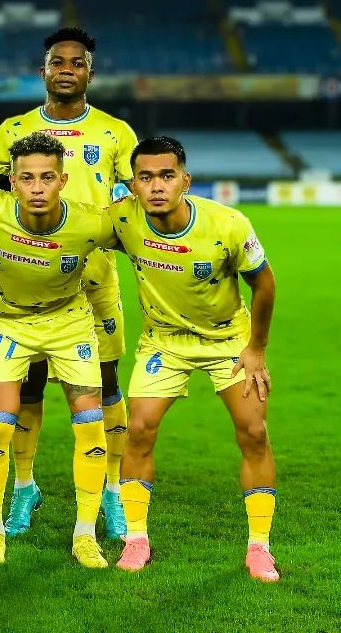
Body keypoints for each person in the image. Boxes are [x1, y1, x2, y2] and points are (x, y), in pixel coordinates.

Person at [0, 27, 137, 539]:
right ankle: (24, 487)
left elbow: (140, 195)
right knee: (27, 387)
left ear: (90, 74)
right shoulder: (15, 130)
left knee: (105, 385)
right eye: (58, 62)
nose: (66, 70)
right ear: (44, 71)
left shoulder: (115, 133)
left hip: (93, 280)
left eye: (77, 63)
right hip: (26, 284)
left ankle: (112, 490)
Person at [110, 136, 278, 582]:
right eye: (146, 177)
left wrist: (256, 349)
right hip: (164, 341)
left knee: (254, 432)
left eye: (167, 175)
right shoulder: (122, 219)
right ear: (133, 184)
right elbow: (69, 227)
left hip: (228, 340)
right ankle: (136, 539)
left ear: (185, 180)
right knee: (139, 429)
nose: (156, 186)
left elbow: (264, 284)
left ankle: (259, 547)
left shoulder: (228, 223)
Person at [0, 132, 118, 570]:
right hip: (7, 325)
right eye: (27, 178)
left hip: (69, 325)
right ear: (12, 181)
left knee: (90, 428)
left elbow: (145, 233)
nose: (38, 188)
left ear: (63, 180)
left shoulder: (91, 222)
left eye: (47, 177)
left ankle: (85, 535)